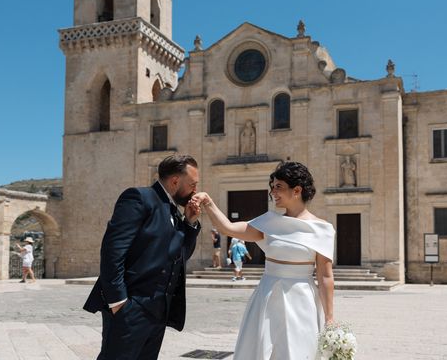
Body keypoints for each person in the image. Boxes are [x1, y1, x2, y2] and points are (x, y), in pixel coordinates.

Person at [190, 161, 335, 359]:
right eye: (272, 187)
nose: (273, 192)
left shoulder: (322, 229)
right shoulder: (268, 222)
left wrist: (329, 318)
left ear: (297, 190)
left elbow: (325, 276)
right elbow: (227, 228)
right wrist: (207, 201)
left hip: (302, 301)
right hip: (268, 297)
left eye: (278, 187)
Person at [83, 154, 202, 360]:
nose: (195, 190)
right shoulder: (139, 198)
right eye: (192, 184)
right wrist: (119, 301)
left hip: (158, 310)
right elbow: (113, 250)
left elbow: (181, 256)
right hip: (131, 306)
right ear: (175, 181)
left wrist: (190, 223)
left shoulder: (174, 212)